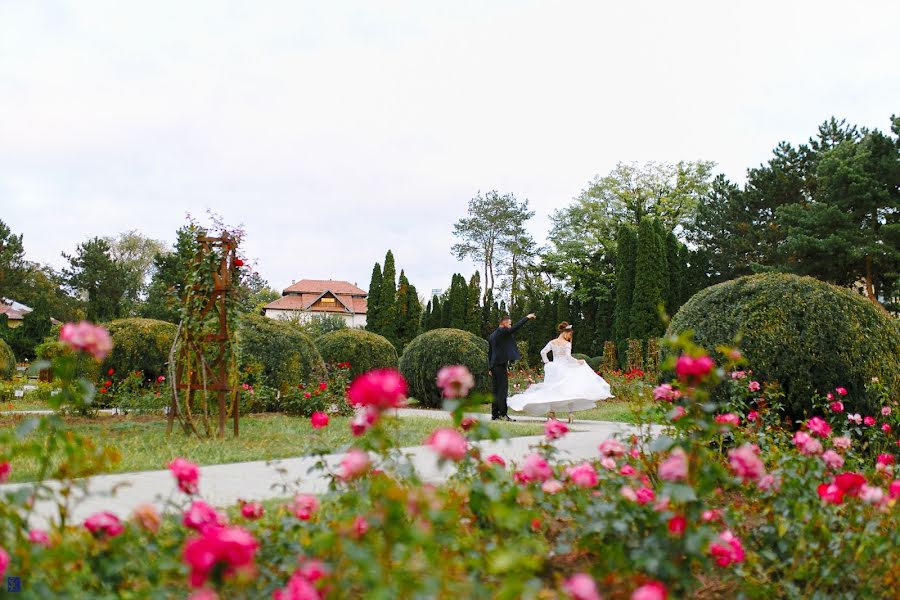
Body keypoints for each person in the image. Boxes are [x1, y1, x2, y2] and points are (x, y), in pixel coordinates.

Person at [508, 321, 613, 423]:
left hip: (554, 368)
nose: (569, 337)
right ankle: (571, 413)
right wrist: (578, 361)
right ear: (565, 332)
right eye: (570, 335)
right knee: (570, 390)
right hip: (564, 368)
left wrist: (547, 363)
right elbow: (568, 357)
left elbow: (543, 352)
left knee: (552, 391)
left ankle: (551, 413)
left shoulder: (552, 342)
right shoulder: (567, 344)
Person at [488, 313, 536, 421]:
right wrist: (527, 318)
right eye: (509, 324)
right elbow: (515, 328)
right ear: (504, 323)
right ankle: (503, 414)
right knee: (502, 391)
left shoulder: (493, 335)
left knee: (495, 391)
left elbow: (490, 353)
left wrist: (490, 367)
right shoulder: (502, 331)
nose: (510, 326)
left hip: (494, 366)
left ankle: (494, 415)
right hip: (500, 365)